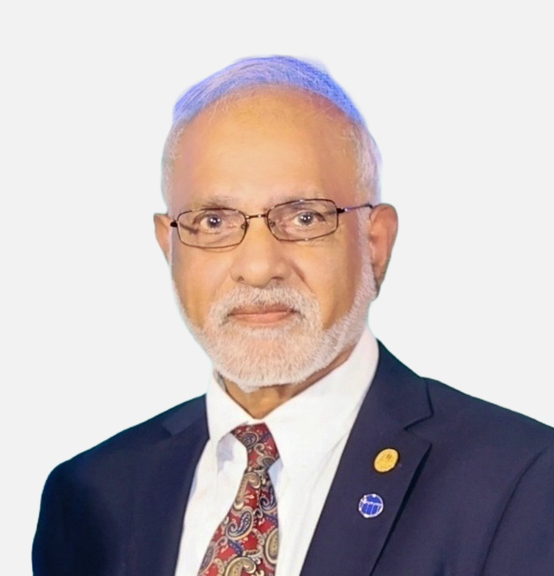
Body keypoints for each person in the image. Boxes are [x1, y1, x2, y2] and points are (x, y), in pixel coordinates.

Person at [33, 56, 554, 576]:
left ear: (375, 244)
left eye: (304, 217)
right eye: (213, 221)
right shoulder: (89, 498)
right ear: (169, 247)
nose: (259, 268)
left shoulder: (521, 482)